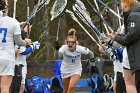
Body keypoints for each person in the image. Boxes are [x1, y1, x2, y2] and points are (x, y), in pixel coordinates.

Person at [0, 0, 32, 92]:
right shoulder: (12, 22)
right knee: (5, 88)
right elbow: (19, 42)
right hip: (7, 58)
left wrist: (18, 25)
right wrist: (27, 42)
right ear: (5, 8)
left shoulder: (14, 22)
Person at [54, 28, 95, 93]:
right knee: (66, 90)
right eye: (68, 42)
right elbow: (57, 57)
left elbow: (91, 53)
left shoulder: (80, 48)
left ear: (75, 43)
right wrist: (56, 49)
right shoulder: (64, 48)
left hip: (76, 69)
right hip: (65, 69)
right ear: (66, 42)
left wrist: (93, 65)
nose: (70, 44)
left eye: (72, 42)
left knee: (71, 87)